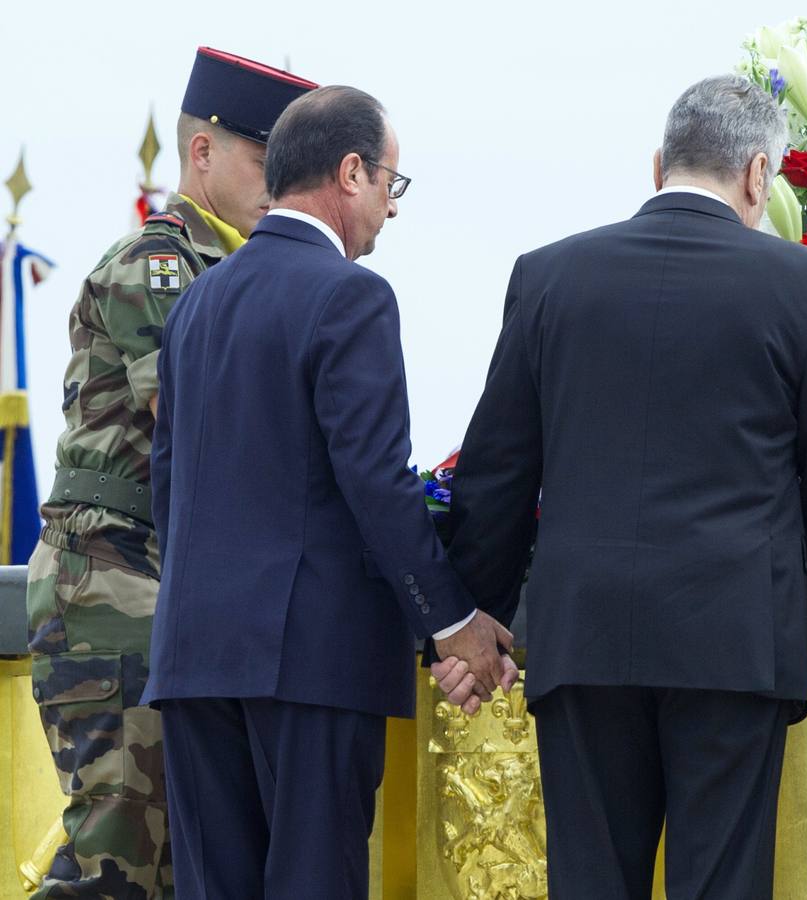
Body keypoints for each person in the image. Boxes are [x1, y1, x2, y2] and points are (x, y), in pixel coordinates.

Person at [430, 74, 807, 898]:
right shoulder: (805, 287)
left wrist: (478, 617)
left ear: (657, 166)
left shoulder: (548, 277)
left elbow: (496, 473)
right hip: (734, 641)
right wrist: (773, 578)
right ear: (755, 175)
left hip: (586, 638)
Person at [143, 84, 515, 899]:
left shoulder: (197, 304)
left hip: (194, 659)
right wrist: (452, 623)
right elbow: (376, 482)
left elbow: (168, 487)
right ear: (351, 173)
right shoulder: (350, 294)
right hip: (308, 666)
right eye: (390, 184)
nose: (391, 208)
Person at [24, 46, 316, 898]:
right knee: (125, 852)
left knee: (177, 854)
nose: (279, 184)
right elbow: (202, 419)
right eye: (266, 163)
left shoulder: (235, 273)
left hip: (166, 581)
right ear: (202, 155)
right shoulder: (158, 268)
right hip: (113, 582)